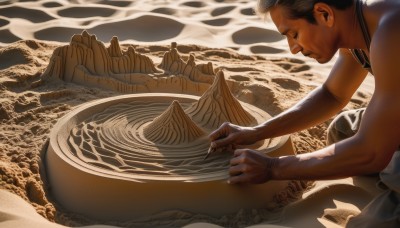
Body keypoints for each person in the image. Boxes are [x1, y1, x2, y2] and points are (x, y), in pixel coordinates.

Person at [208, 0, 400, 226]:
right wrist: (257, 132)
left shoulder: (392, 32)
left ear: (324, 14)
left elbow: (371, 152)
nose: (293, 48)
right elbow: (332, 95)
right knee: (343, 130)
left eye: (294, 34)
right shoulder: (358, 25)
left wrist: (273, 168)